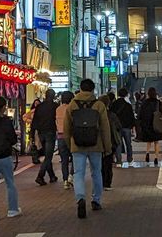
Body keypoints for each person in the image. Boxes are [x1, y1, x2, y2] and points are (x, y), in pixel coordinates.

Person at [63, 78, 111, 219]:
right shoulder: (99, 105)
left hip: (77, 145)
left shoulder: (72, 105)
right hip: (96, 145)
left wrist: (69, 144)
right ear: (92, 89)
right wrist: (107, 147)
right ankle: (96, 200)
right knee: (96, 172)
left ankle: (80, 199)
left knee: (78, 173)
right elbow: (105, 129)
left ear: (81, 88)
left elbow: (66, 129)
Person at [31, 88, 58, 185]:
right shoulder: (55, 106)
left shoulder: (39, 107)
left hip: (41, 133)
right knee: (48, 156)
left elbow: (34, 121)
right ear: (53, 96)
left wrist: (31, 135)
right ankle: (40, 176)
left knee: (47, 155)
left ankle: (52, 176)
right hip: (50, 132)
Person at [137, 87, 162, 166]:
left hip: (147, 125)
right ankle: (156, 157)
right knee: (156, 142)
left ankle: (147, 153)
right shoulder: (158, 102)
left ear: (148, 94)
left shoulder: (145, 102)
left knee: (149, 141)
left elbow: (140, 114)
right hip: (156, 125)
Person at [98, 95, 121, 191]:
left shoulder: (96, 115)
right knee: (108, 163)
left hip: (98, 142)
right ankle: (107, 183)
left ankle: (100, 182)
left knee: (99, 164)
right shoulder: (112, 115)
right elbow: (119, 126)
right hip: (111, 142)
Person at [111, 87, 136, 165]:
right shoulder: (128, 105)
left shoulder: (114, 104)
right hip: (127, 127)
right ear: (125, 95)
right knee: (128, 143)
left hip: (117, 128)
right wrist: (132, 127)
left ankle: (119, 160)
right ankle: (130, 159)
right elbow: (131, 116)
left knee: (118, 143)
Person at [56, 91, 74, 189]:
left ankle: (65, 181)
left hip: (60, 137)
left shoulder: (58, 109)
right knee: (75, 157)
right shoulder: (72, 109)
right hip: (71, 136)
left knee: (64, 160)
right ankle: (71, 176)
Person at [22, 98, 41, 164]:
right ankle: (35, 157)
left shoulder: (41, 110)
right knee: (34, 143)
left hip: (39, 129)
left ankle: (37, 156)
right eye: (36, 103)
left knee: (38, 143)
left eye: (38, 103)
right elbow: (24, 117)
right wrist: (31, 121)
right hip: (34, 129)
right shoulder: (32, 111)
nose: (37, 104)